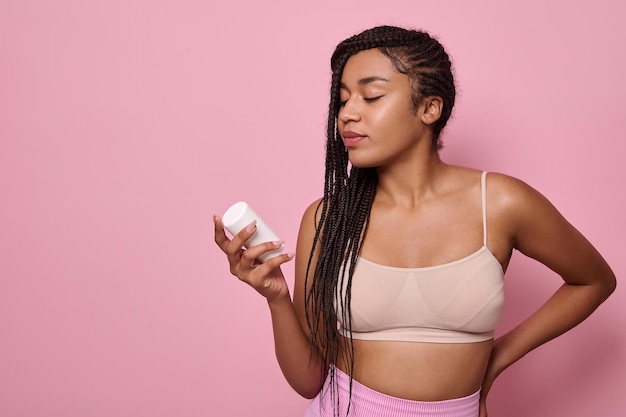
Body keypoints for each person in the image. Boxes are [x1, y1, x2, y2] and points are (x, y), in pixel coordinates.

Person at [213, 25, 616, 417]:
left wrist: (496, 360)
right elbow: (309, 379)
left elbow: (594, 280)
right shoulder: (327, 219)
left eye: (371, 96)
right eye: (342, 99)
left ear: (429, 108)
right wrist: (276, 297)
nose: (347, 114)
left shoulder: (500, 203)